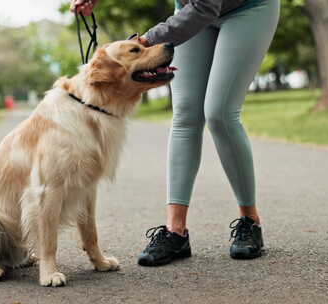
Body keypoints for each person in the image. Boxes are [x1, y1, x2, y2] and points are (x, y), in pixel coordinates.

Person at [71, 0, 280, 265]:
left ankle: (250, 221)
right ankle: (175, 231)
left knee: (219, 113)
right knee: (185, 115)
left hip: (248, 7)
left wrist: (143, 45)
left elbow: (205, 7)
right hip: (191, 8)